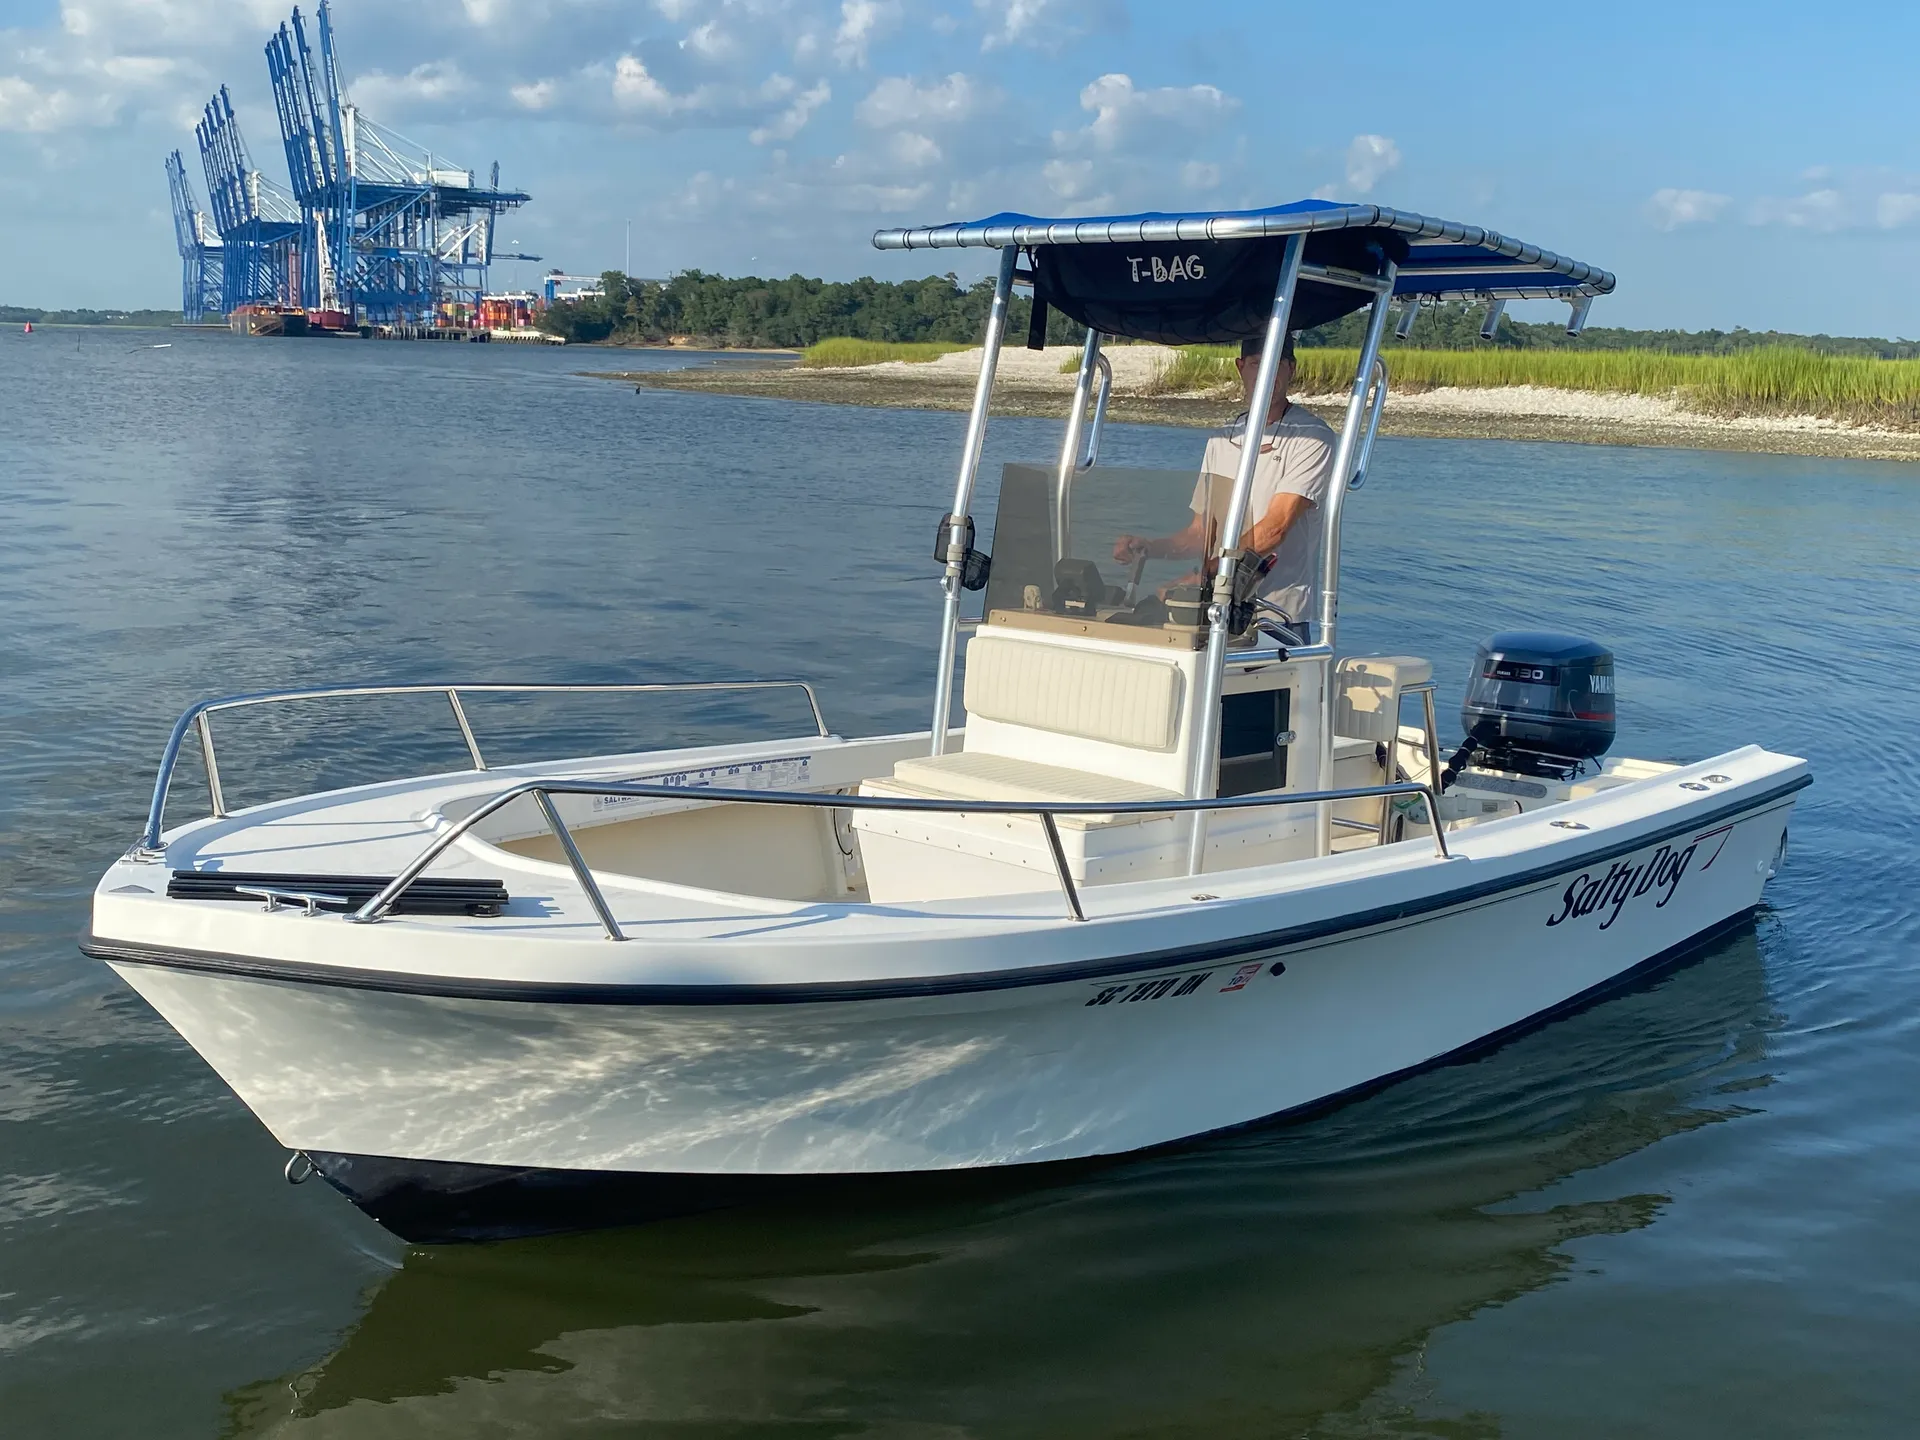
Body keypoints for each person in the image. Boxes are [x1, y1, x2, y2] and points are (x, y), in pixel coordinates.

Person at [1113, 331, 1336, 627]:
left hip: (1277, 618)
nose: (1265, 373)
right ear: (1240, 367)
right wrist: (1150, 548)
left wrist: (1207, 574)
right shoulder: (1221, 439)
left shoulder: (1312, 437)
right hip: (1214, 610)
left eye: (1276, 364)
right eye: (1257, 363)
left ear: (1291, 369)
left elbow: (1275, 528)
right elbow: (1201, 533)